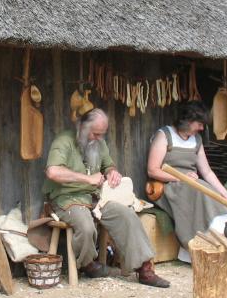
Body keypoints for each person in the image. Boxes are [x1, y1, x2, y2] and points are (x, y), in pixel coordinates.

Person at [43, 108, 170, 288]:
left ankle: (145, 270)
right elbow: (53, 172)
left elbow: (109, 165)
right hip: (66, 198)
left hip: (95, 198)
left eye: (102, 134)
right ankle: (88, 265)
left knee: (126, 215)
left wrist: (113, 173)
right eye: (95, 134)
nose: (98, 138)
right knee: (86, 226)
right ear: (81, 127)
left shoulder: (99, 144)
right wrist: (87, 179)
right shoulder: (63, 142)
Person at [146, 101, 227, 260]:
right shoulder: (165, 135)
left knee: (208, 192)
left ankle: (221, 237)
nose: (202, 128)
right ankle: (197, 246)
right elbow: (153, 170)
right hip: (168, 185)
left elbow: (207, 172)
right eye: (200, 124)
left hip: (192, 184)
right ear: (188, 120)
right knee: (199, 192)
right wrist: (180, 177)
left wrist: (225, 195)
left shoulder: (196, 140)